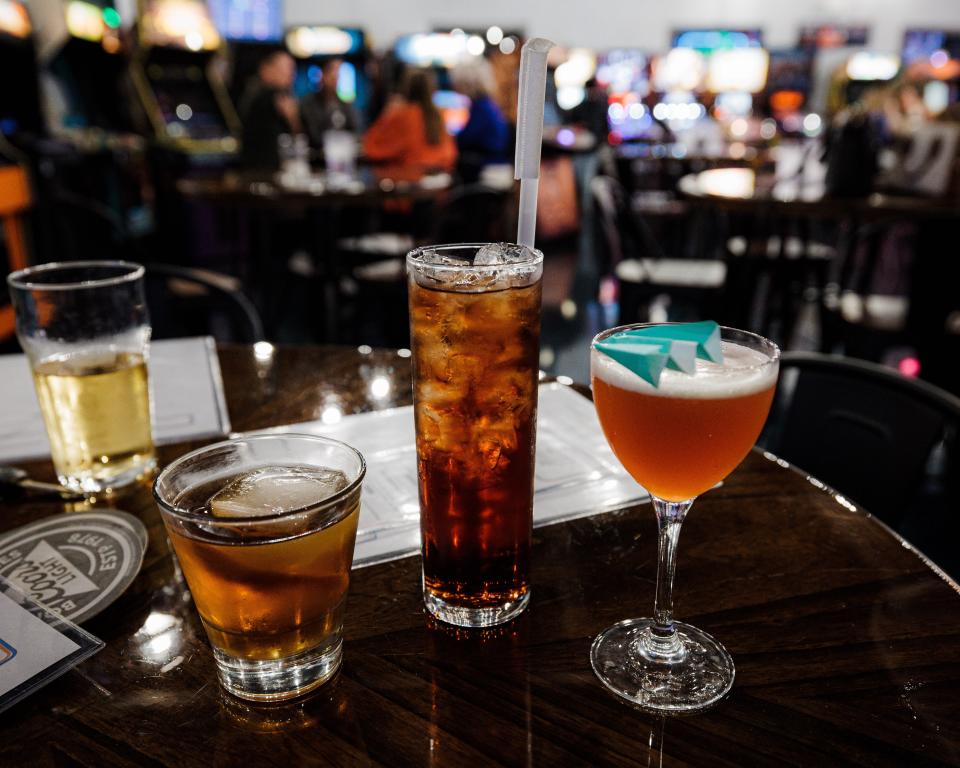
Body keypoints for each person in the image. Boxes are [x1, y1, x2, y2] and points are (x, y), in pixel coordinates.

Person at [362, 69, 456, 174]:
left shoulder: (401, 115)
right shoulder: (439, 114)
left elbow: (371, 147)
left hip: (409, 179)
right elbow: (451, 153)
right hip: (441, 179)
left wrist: (387, 112)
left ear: (406, 88)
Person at [238, 50, 301, 171]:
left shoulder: (286, 96)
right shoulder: (257, 95)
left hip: (284, 169)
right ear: (265, 69)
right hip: (258, 170)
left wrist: (293, 118)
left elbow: (299, 137)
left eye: (292, 69)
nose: (290, 74)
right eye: (285, 69)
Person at [451, 59, 510, 180]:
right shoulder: (488, 104)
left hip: (490, 170)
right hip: (496, 167)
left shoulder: (481, 108)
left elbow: (464, 140)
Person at [300, 58, 360, 148]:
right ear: (322, 74)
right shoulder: (308, 103)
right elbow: (313, 137)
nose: (336, 76)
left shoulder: (346, 104)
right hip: (318, 158)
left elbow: (357, 131)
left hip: (344, 154)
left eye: (338, 72)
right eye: (332, 70)